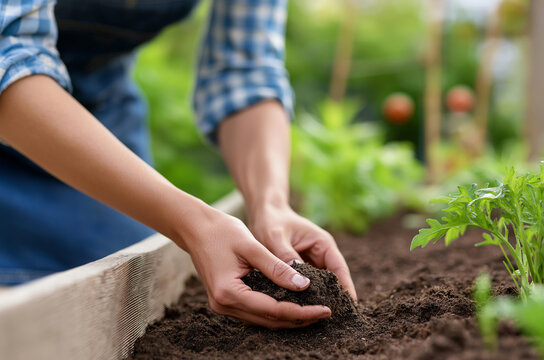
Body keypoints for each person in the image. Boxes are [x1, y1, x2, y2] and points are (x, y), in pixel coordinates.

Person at [0, 0, 356, 328]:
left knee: (125, 305)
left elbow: (245, 70)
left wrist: (270, 204)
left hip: (101, 130)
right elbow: (8, 53)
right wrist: (193, 222)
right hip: (18, 110)